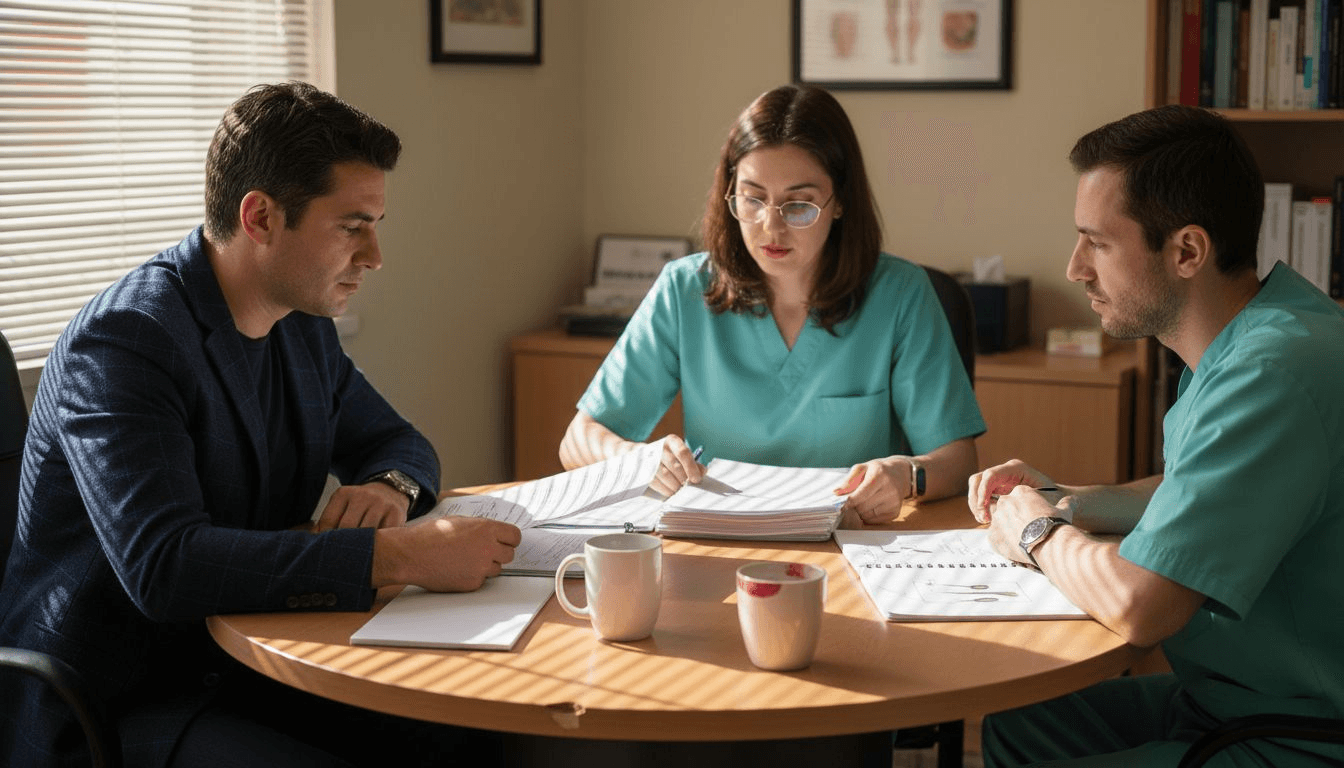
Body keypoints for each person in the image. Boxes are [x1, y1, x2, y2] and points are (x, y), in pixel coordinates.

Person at [0, 82, 521, 768]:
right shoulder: (125, 341)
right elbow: (165, 566)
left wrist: (389, 488)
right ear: (261, 217)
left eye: (375, 225)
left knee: (464, 730)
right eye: (352, 226)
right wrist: (397, 556)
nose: (374, 256)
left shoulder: (300, 324)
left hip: (250, 658)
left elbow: (397, 443)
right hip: (121, 702)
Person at [970, 104, 1344, 767]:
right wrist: (1067, 500)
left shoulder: (1270, 372)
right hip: (1226, 700)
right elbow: (1198, 492)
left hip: (1294, 734)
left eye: (1097, 243)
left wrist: (1037, 531)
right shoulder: (1261, 334)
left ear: (1187, 251)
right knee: (1018, 723)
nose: (1075, 268)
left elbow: (1141, 608)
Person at [559, 84, 985, 522]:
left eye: (798, 204)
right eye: (753, 198)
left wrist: (907, 475)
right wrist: (637, 460)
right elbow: (579, 439)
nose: (771, 226)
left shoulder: (902, 294)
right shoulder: (684, 289)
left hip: (851, 539)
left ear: (840, 201)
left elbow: (958, 460)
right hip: (717, 539)